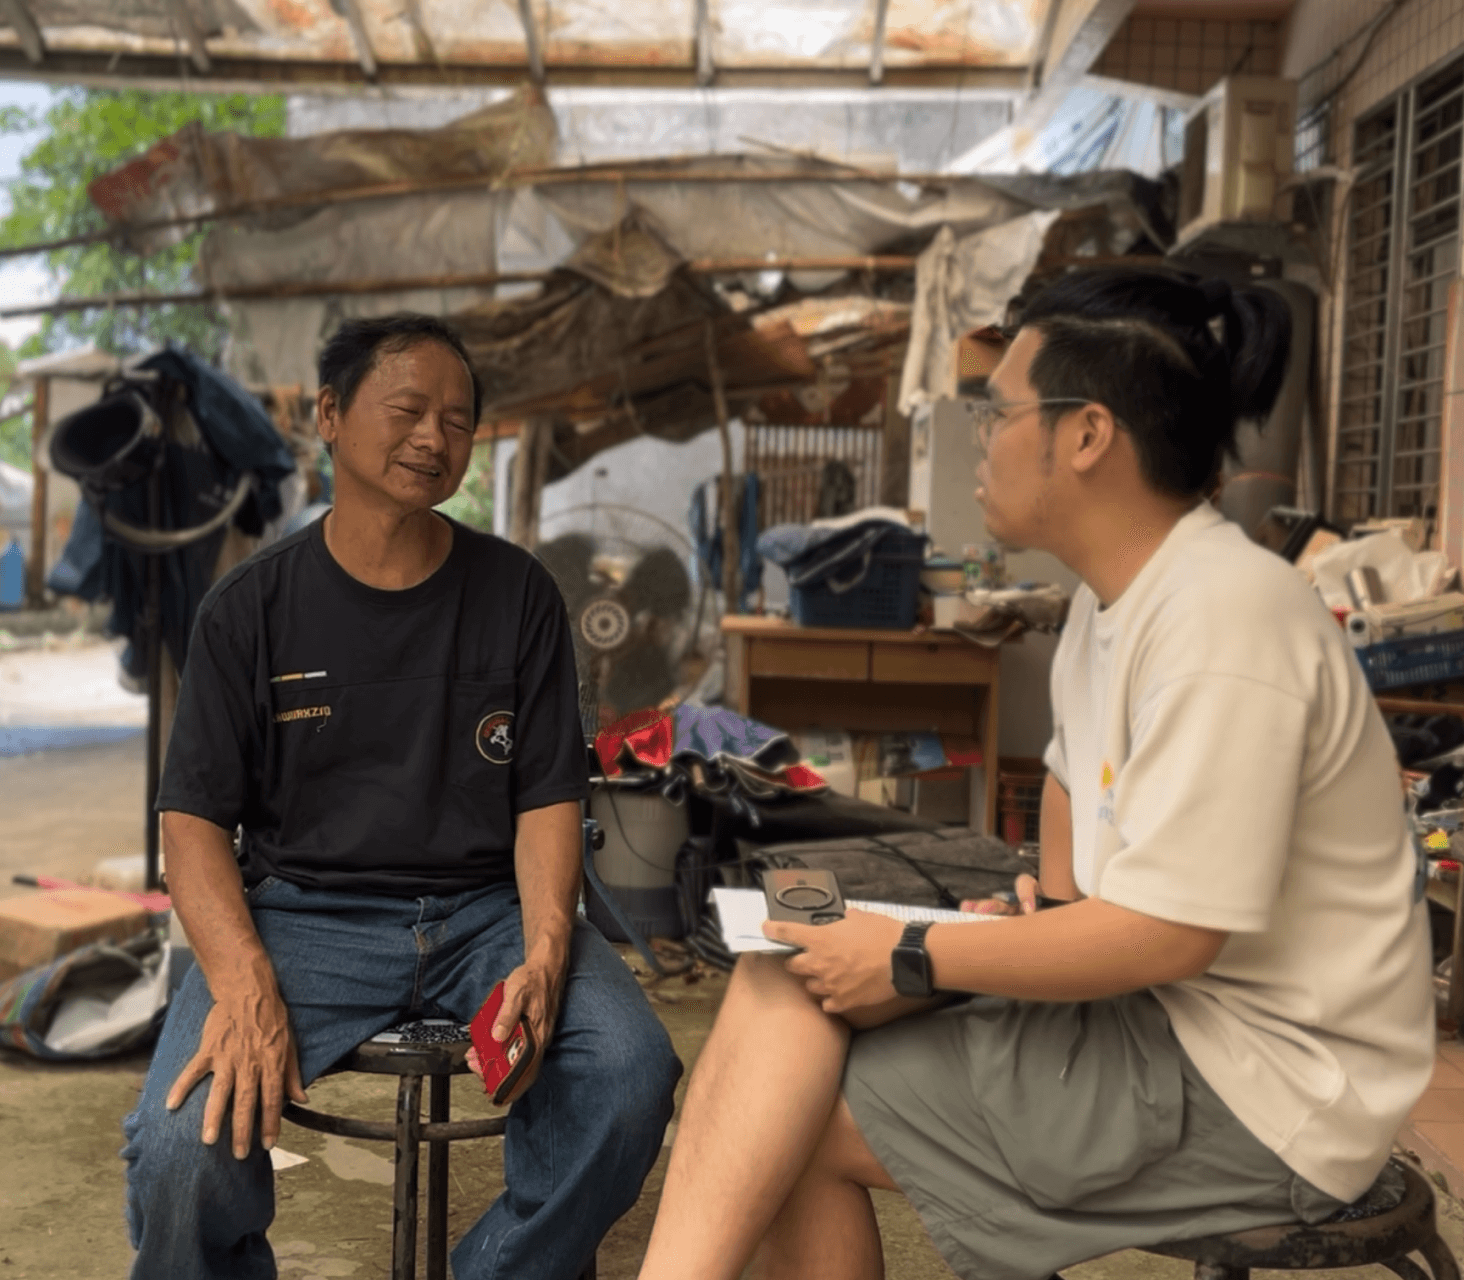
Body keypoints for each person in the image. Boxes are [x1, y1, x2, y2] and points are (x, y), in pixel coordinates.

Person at [636, 268, 1435, 1280]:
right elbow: (1074, 806)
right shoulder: (1113, 605)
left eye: (1001, 412)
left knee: (785, 1117)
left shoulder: (1227, 616)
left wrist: (917, 953)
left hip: (1268, 1086)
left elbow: (1174, 930)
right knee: (782, 985)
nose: (985, 441)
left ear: (1088, 433)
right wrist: (1038, 913)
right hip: (1169, 1024)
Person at [122, 313, 682, 1280]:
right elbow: (193, 824)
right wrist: (245, 982)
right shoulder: (249, 609)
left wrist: (547, 953)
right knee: (178, 1150)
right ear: (332, 417)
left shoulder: (518, 595)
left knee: (631, 1073)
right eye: (409, 409)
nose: (434, 437)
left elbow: (547, 797)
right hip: (305, 918)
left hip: (489, 915)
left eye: (458, 421)